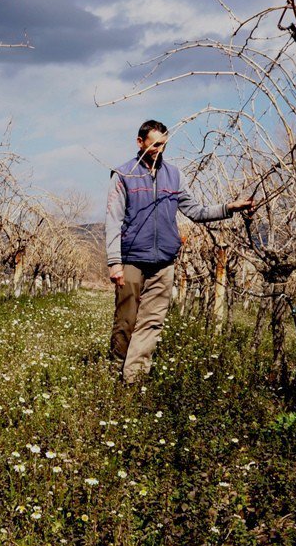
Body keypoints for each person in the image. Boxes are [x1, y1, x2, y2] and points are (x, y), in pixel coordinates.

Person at [106, 119, 253, 384]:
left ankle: (133, 379)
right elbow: (113, 220)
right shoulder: (123, 175)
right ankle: (115, 370)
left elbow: (195, 211)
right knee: (126, 321)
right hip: (131, 260)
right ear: (140, 142)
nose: (160, 149)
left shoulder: (175, 176)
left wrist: (229, 208)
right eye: (154, 144)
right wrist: (114, 263)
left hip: (164, 261)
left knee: (152, 323)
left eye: (164, 144)